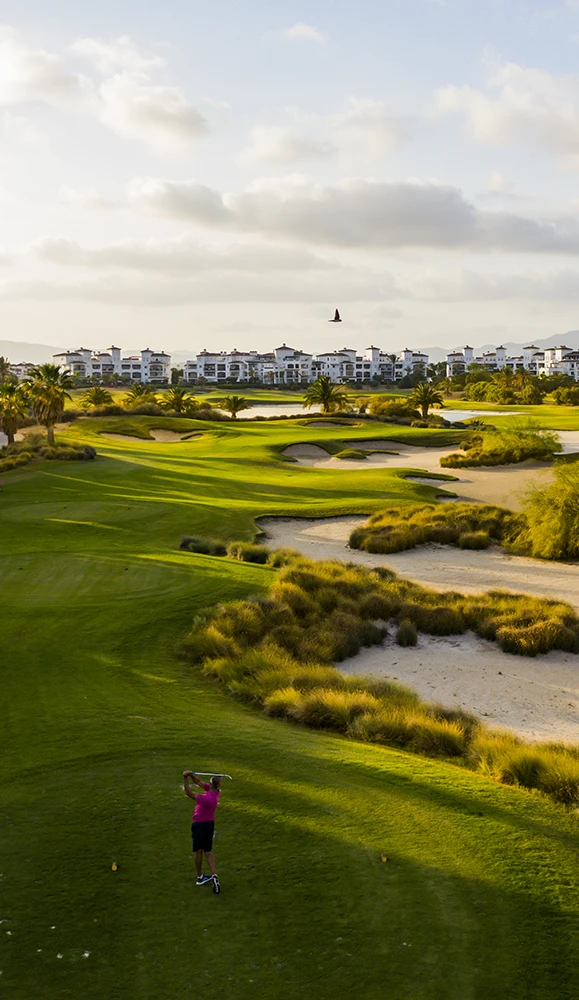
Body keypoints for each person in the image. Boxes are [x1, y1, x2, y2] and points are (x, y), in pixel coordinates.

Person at [183, 771, 221, 894]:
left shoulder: (206, 798)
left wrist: (185, 778)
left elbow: (189, 793)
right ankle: (214, 875)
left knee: (198, 851)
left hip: (199, 825)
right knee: (208, 852)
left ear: (210, 784)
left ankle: (200, 877)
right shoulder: (216, 793)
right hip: (210, 824)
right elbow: (198, 782)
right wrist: (191, 774)